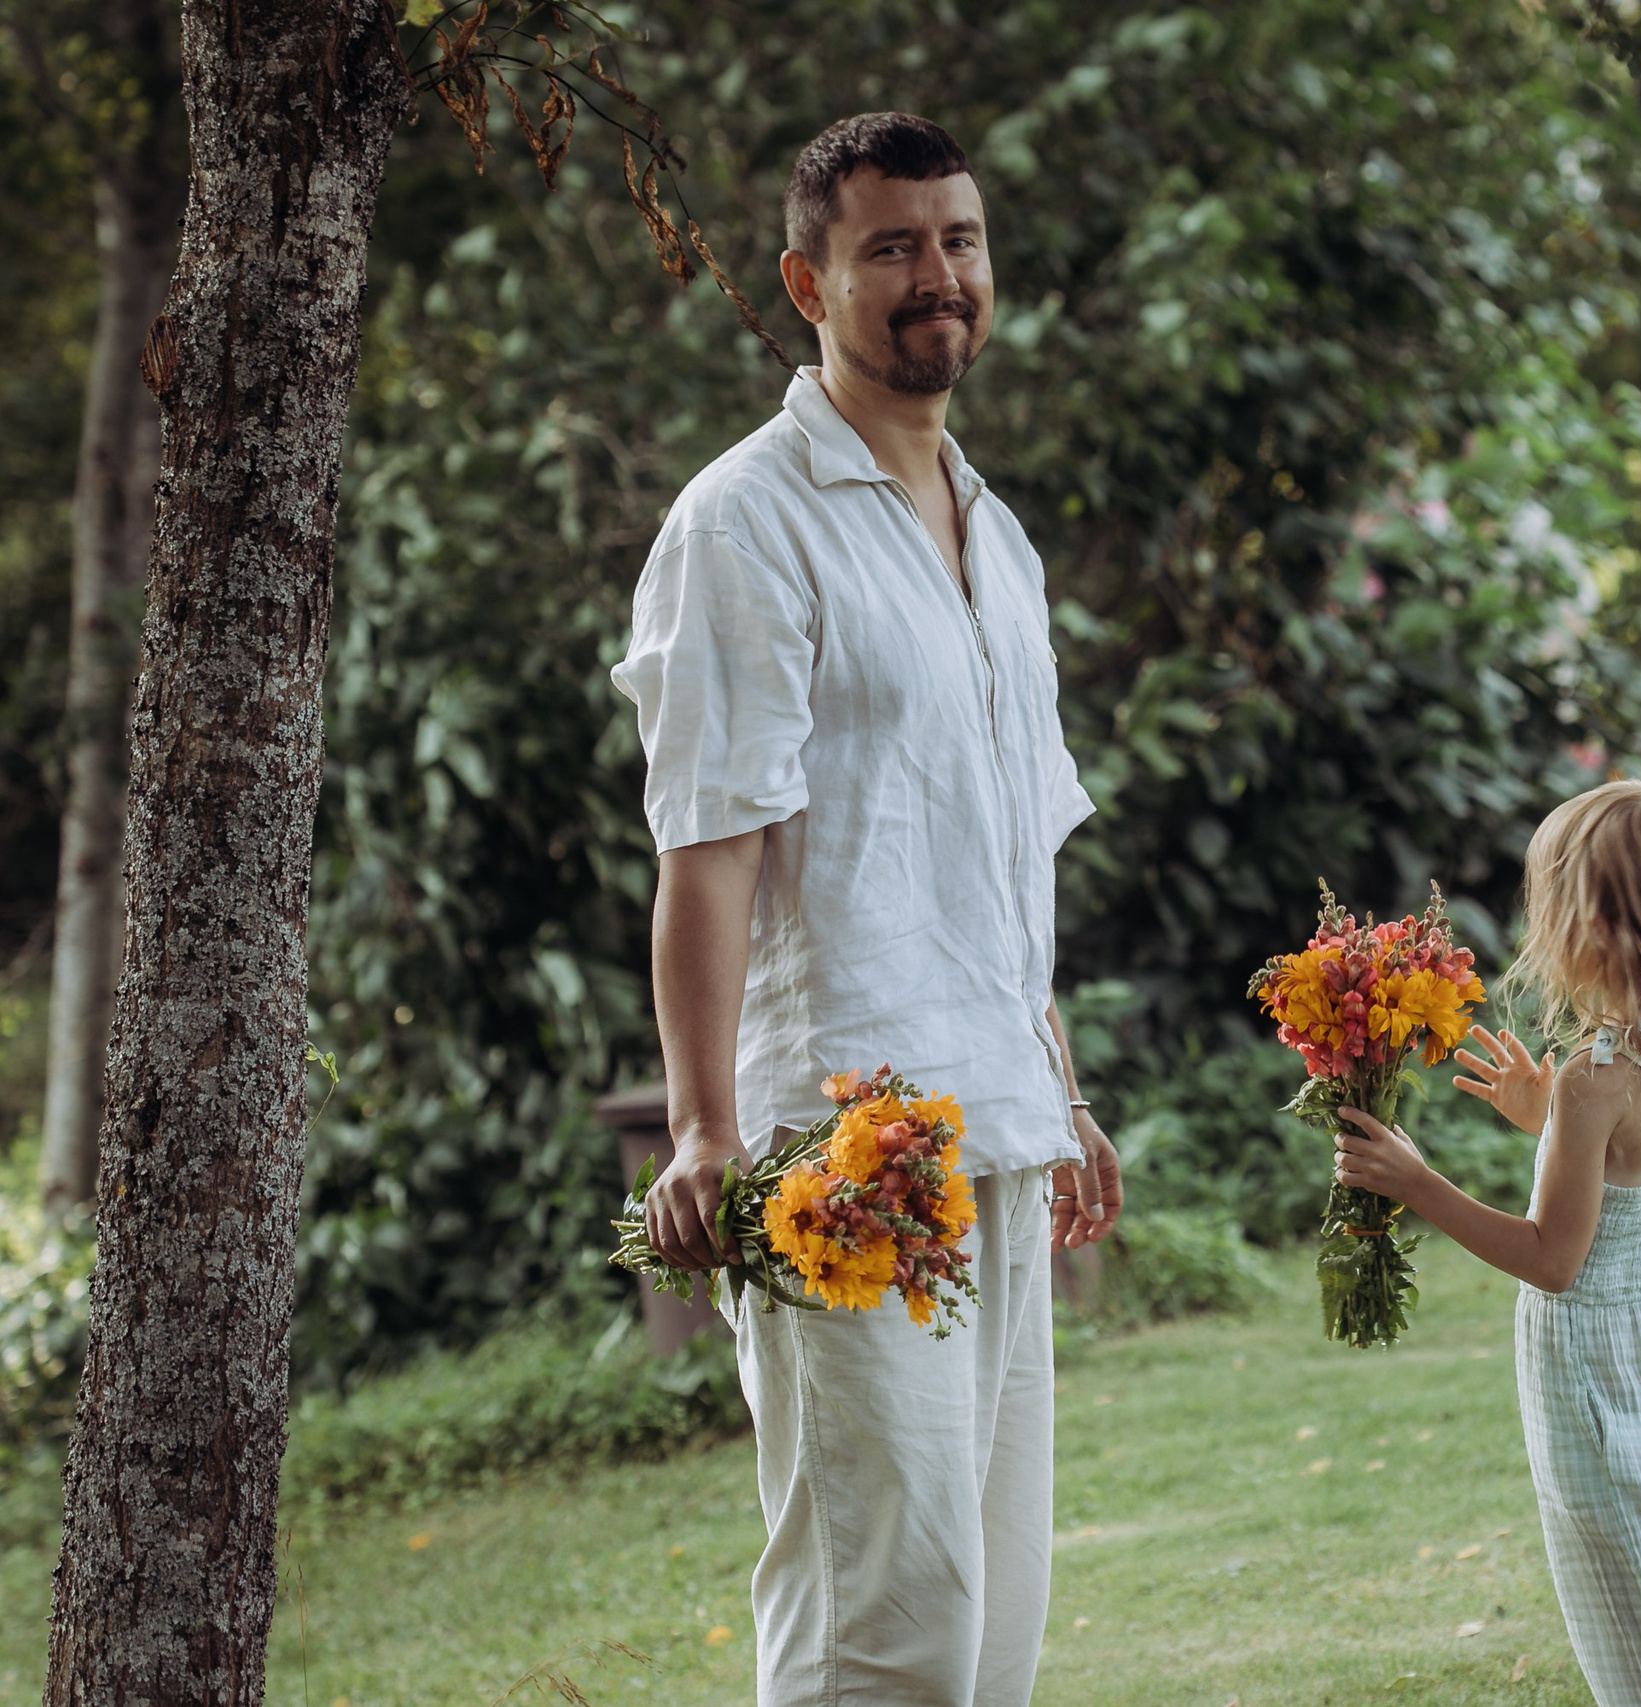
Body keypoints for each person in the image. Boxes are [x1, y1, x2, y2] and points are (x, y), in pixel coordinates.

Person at [609, 112, 1120, 1707]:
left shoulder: (1002, 538)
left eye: (956, 240)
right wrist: (702, 1127)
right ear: (806, 279)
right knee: (877, 1608)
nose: (934, 276)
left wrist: (1061, 1081)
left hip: (1000, 1121)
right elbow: (708, 847)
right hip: (844, 1140)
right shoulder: (745, 520)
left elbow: (1001, 855)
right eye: (890, 246)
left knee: (991, 1602)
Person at [1333, 779, 1641, 1707]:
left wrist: (1417, 1184)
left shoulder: (1594, 1079)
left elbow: (1554, 1259)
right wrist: (1547, 1126)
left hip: (1602, 1393)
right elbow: (1631, 1186)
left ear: (1599, 928)